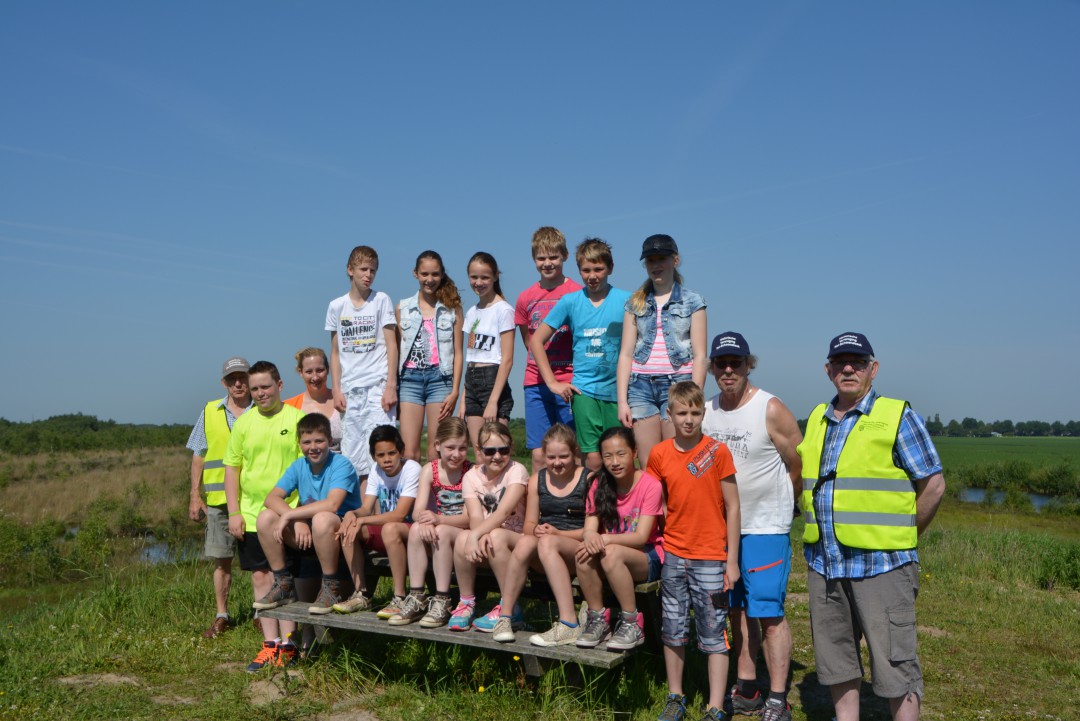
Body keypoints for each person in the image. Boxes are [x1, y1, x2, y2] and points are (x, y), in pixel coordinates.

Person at [798, 333, 945, 721]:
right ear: (828, 370)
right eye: (840, 362)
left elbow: (933, 485)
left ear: (872, 369)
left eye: (858, 362)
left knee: (896, 664)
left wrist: (904, 534)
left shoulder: (897, 415)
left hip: (882, 568)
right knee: (836, 661)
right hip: (825, 567)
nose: (849, 368)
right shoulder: (816, 418)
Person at [701, 332, 803, 721]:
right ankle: (747, 688)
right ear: (711, 368)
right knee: (737, 610)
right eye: (721, 364)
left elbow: (798, 463)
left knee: (770, 613)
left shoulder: (770, 408)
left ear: (749, 365)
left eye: (736, 363)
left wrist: (787, 505)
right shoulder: (707, 410)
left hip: (764, 526)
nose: (729, 370)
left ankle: (778, 698)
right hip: (723, 528)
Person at [649, 381, 741, 721]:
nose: (689, 419)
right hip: (673, 553)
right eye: (682, 413)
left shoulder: (717, 452)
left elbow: (733, 507)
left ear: (704, 413)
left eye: (696, 412)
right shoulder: (659, 455)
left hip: (712, 557)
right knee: (672, 629)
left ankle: (716, 705)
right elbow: (654, 505)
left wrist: (731, 561)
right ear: (669, 414)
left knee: (715, 631)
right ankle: (676, 696)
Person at [222, 360, 305, 672]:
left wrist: (298, 514)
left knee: (288, 580)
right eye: (254, 388)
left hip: (287, 515)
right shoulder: (243, 423)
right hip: (251, 514)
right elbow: (233, 469)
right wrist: (233, 512)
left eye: (265, 387)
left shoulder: (297, 419)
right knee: (261, 578)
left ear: (280, 386)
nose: (259, 393)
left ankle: (290, 643)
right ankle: (269, 645)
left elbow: (307, 468)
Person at [530, 238, 630, 471]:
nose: (592, 275)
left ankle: (619, 506)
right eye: (586, 270)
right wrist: (552, 382)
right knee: (593, 458)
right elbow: (536, 340)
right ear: (579, 271)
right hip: (584, 389)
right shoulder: (570, 301)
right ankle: (592, 505)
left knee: (619, 456)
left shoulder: (627, 300)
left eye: (598, 269)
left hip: (618, 392)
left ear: (611, 268)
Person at [486, 424, 589, 646]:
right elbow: (529, 524)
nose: (557, 462)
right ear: (544, 455)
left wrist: (558, 533)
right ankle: (507, 615)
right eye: (551, 457)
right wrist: (536, 530)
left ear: (575, 453)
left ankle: (569, 623)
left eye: (564, 456)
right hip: (545, 548)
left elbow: (593, 530)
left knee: (548, 543)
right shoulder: (537, 480)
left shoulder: (588, 480)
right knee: (520, 542)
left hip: (578, 552)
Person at [250, 413, 361, 617]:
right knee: (266, 518)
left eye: (319, 440)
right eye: (306, 442)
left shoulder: (341, 464)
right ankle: (283, 582)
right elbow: (272, 498)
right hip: (311, 530)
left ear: (329, 440)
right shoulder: (299, 465)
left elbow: (332, 503)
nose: (313, 447)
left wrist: (292, 515)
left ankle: (331, 586)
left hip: (341, 530)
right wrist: (297, 518)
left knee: (322, 517)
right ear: (299, 443)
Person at [617, 234, 708, 469]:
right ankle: (655, 508)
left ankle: (676, 507)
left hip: (678, 384)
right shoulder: (634, 303)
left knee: (676, 460)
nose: (656, 265)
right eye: (650, 260)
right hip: (640, 387)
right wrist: (622, 402)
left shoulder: (693, 301)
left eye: (661, 259)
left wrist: (694, 396)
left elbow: (700, 356)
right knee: (649, 463)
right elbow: (626, 354)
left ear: (675, 261)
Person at [575, 427, 664, 652]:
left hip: (647, 555)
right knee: (584, 554)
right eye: (608, 456)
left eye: (621, 454)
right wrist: (591, 536)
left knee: (611, 553)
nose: (615, 462)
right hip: (610, 554)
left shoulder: (650, 485)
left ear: (634, 453)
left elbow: (641, 536)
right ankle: (597, 620)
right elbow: (589, 529)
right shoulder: (598, 483)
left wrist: (603, 539)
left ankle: (632, 622)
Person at [186, 356, 252, 639]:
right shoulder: (209, 410)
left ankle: (263, 614)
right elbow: (198, 454)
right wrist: (194, 495)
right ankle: (222, 615)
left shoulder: (263, 408)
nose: (238, 383)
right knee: (221, 560)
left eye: (242, 377)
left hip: (254, 499)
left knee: (262, 562)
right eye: (232, 378)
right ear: (224, 382)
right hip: (218, 502)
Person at [388, 417, 473, 627]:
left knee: (442, 531)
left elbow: (470, 518)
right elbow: (417, 511)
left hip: (462, 531)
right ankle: (417, 596)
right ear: (437, 445)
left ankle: (443, 599)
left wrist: (438, 519)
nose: (456, 454)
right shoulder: (430, 470)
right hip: (439, 527)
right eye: (450, 447)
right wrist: (425, 521)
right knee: (416, 529)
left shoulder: (470, 472)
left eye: (462, 448)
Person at [446, 421, 528, 631]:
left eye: (504, 450)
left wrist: (477, 535)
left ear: (511, 449)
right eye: (490, 451)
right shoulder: (471, 477)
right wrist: (476, 535)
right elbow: (475, 515)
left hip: (515, 538)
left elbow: (502, 513)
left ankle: (510, 606)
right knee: (462, 538)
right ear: (479, 451)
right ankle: (466, 602)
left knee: (495, 535)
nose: (497, 456)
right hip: (487, 537)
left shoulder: (516, 471)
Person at [332, 425, 420, 619]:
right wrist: (352, 515)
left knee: (389, 528)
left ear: (401, 452)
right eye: (380, 455)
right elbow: (366, 508)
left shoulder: (412, 468)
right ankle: (361, 593)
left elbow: (400, 514)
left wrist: (362, 520)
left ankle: (399, 596)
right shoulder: (376, 470)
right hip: (389, 529)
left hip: (412, 532)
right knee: (348, 527)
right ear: (373, 456)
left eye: (392, 453)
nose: (387, 459)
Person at [327, 245, 398, 480]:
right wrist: (336, 389)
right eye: (363, 269)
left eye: (373, 271)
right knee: (351, 454)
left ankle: (381, 511)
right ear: (350, 270)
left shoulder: (381, 300)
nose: (368, 275)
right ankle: (355, 512)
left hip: (378, 386)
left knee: (381, 447)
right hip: (350, 389)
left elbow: (391, 345)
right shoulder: (337, 306)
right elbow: (335, 352)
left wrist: (390, 386)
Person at [514, 226, 582, 471]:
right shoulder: (525, 297)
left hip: (570, 380)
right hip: (536, 381)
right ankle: (539, 507)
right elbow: (528, 340)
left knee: (573, 451)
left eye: (553, 257)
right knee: (540, 454)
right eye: (541, 258)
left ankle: (575, 505)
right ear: (534, 260)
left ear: (564, 255)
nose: (547, 263)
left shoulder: (577, 292)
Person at [397, 250, 464, 462]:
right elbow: (397, 349)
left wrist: (455, 390)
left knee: (436, 452)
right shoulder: (402, 308)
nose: (429, 279)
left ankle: (434, 495)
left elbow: (459, 352)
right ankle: (412, 495)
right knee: (409, 452)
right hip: (410, 379)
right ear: (415, 274)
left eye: (435, 274)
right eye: (424, 274)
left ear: (442, 274)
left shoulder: (453, 308)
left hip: (440, 380)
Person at [461, 252, 515, 452]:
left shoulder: (504, 310)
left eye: (484, 277)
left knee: (497, 449)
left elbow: (508, 359)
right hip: (472, 380)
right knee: (478, 450)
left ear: (495, 276)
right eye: (474, 277)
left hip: (493, 380)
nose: (479, 282)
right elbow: (472, 357)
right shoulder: (472, 312)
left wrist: (493, 401)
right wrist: (464, 399)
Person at [284, 348, 342, 451]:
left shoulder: (342, 399)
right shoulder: (289, 406)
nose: (315, 377)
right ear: (300, 372)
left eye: (319, 370)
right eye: (309, 372)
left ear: (328, 370)